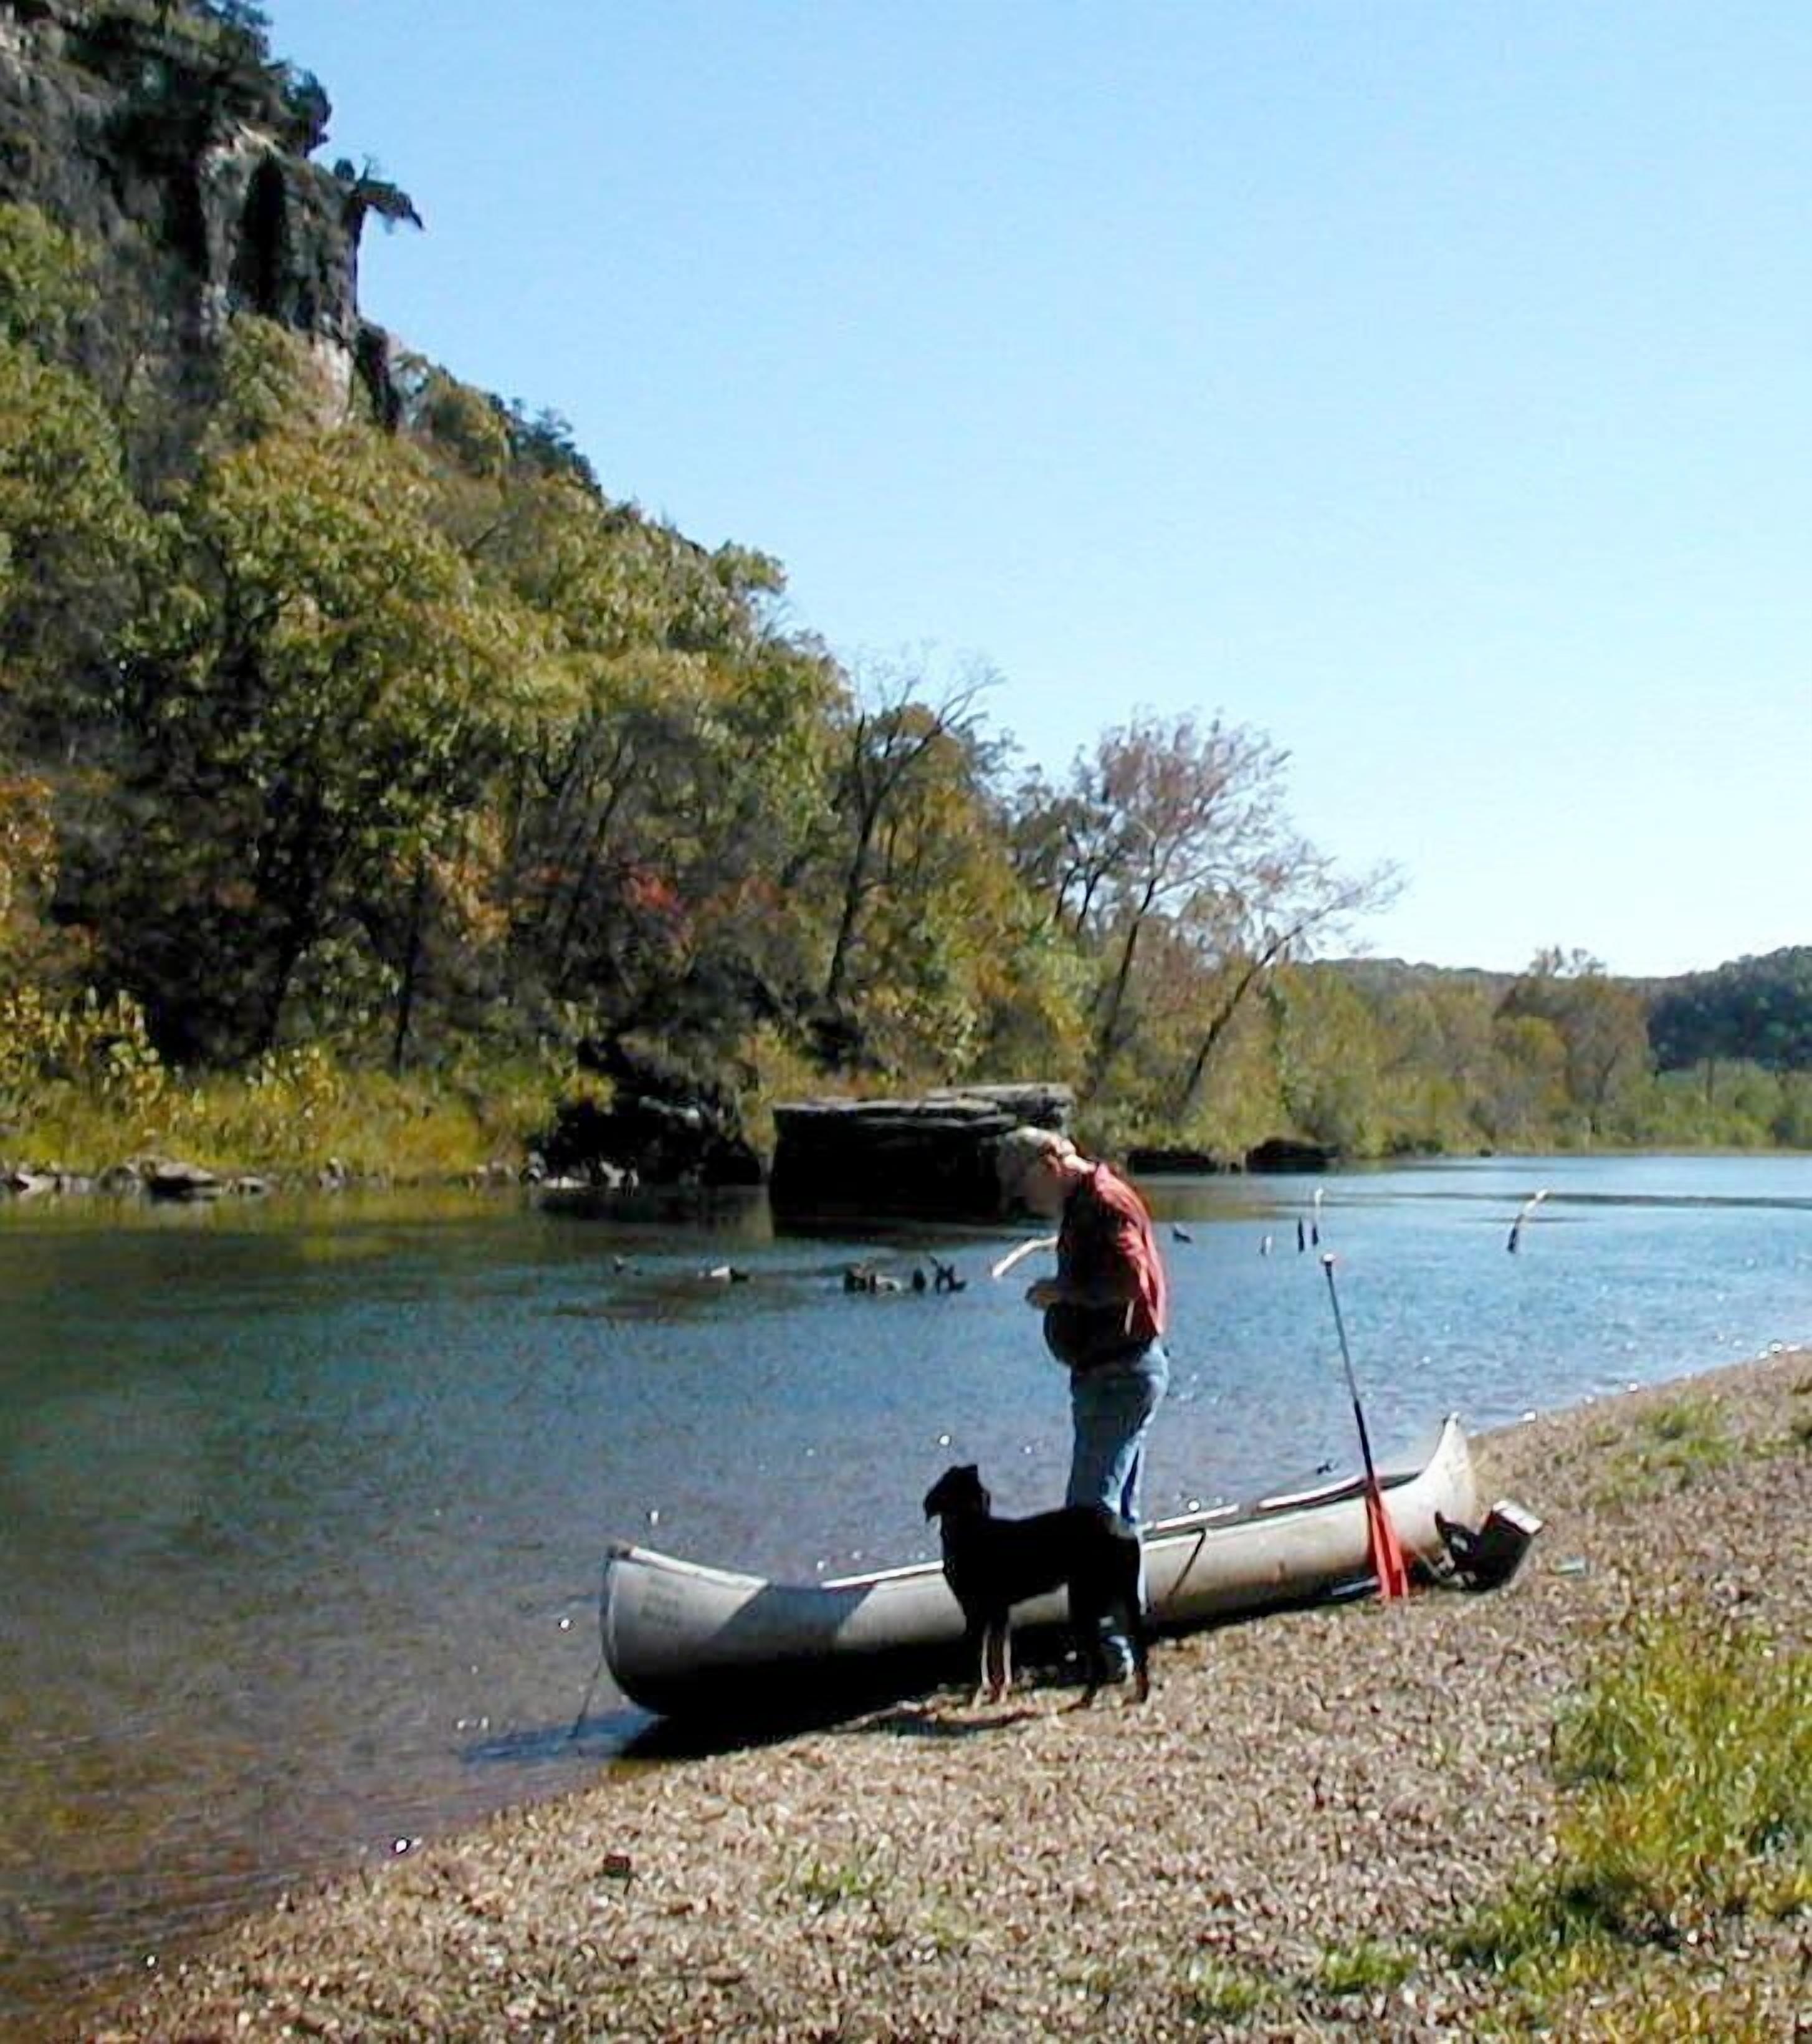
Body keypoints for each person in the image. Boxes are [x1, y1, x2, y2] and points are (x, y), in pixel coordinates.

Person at [993, 1125, 1170, 1673]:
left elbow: (1130, 1280)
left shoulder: (1104, 1203)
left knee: (1088, 1517)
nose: (1026, 1203)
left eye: (1025, 1190)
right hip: (1113, 1372)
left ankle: (1107, 1652)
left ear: (1049, 1165)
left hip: (1121, 1374)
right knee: (1117, 1518)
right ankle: (1122, 1644)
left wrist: (1060, 1292)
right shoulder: (1086, 1203)